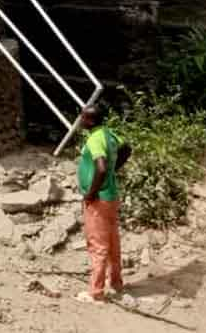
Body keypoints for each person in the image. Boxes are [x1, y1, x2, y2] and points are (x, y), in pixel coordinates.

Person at [76, 103, 133, 304]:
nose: (80, 120)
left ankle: (96, 292)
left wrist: (90, 193)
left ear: (90, 121)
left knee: (97, 245)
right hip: (111, 197)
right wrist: (113, 170)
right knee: (112, 241)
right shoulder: (108, 134)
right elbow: (127, 148)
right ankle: (116, 283)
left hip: (99, 199)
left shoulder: (94, 139)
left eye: (83, 117)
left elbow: (100, 168)